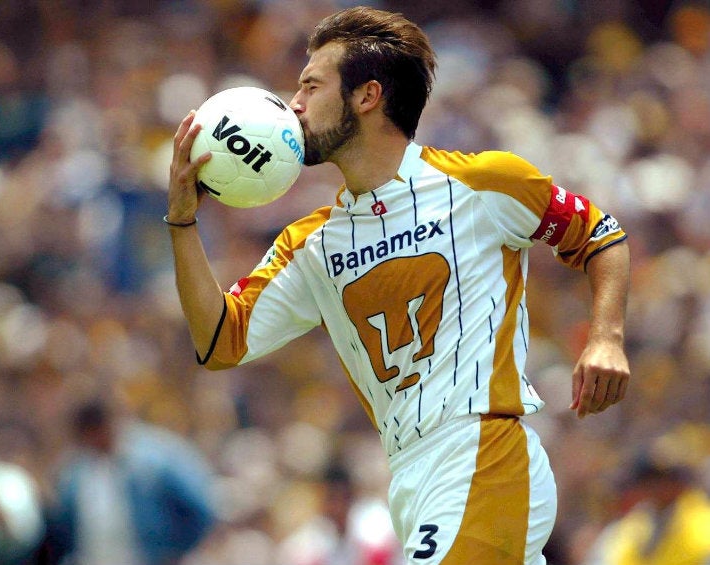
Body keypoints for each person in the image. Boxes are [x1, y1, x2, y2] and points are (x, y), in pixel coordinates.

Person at [166, 6, 630, 564]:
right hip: (410, 475)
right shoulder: (310, 244)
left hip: (482, 452)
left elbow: (600, 233)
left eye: (311, 85)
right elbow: (219, 341)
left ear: (367, 96)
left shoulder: (481, 183)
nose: (294, 104)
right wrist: (183, 221)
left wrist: (605, 337)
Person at [47, 399, 216, 565]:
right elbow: (65, 528)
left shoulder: (156, 460)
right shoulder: (77, 472)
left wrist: (176, 551)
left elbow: (200, 508)